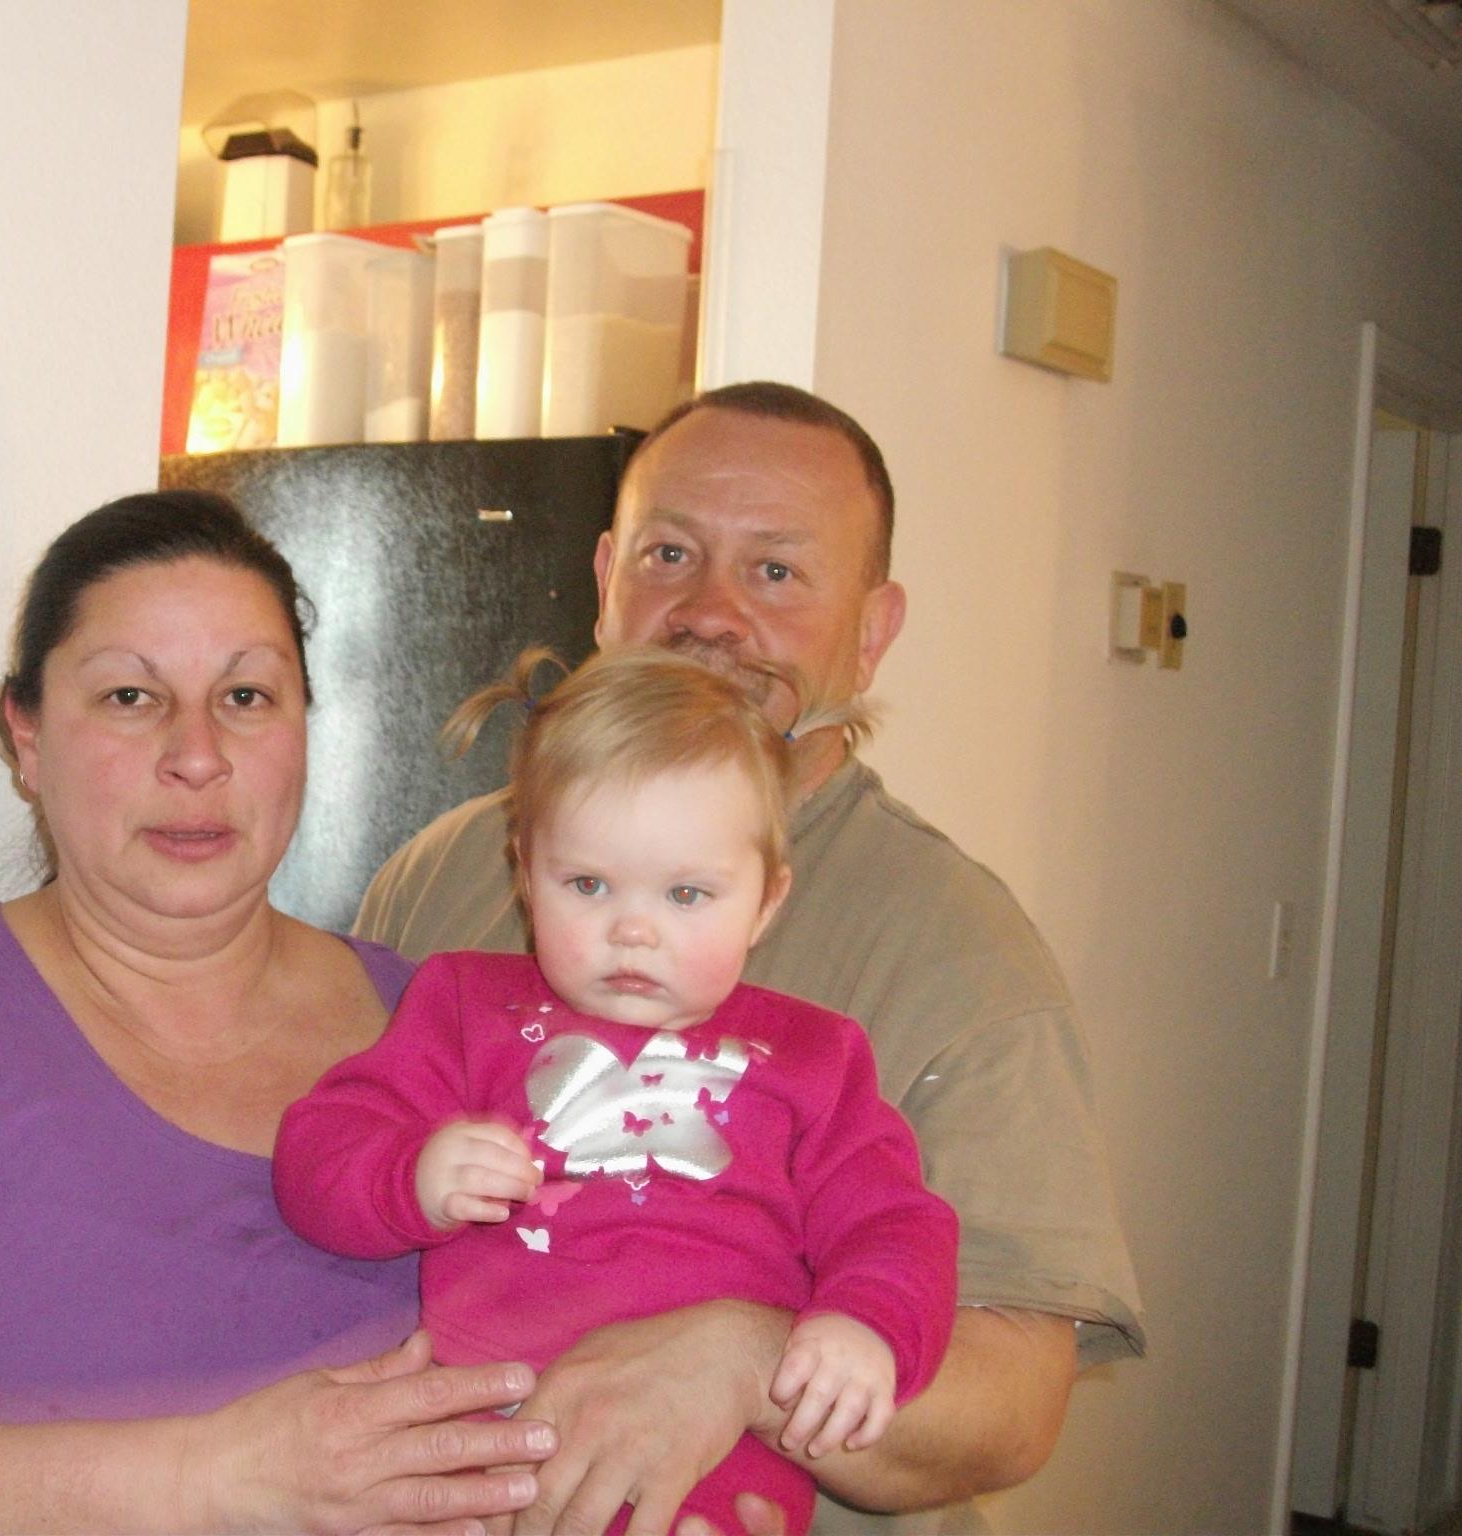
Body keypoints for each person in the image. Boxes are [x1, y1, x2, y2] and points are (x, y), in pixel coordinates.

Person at [0, 489, 789, 1533]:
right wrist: (223, 1479)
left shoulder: (449, 1022)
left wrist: (705, 1406)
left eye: (247, 697)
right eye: (130, 698)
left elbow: (643, 1317)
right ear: (25, 735)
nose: (197, 757)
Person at [357, 381, 1147, 1534]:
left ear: (870, 632)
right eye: (668, 555)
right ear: (604, 581)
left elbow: (1013, 1409)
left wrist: (744, 1360)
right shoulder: (444, 870)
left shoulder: (956, 949)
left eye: (775, 572)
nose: (710, 613)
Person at [278, 645, 958, 1536]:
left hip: (708, 1463)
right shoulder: (462, 1004)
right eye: (589, 884)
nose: (633, 929)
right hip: (481, 1430)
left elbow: (898, 1224)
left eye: (688, 894)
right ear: (525, 874)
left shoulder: (816, 1057)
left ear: (766, 901)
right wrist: (410, 1173)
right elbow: (318, 1150)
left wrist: (866, 1325)